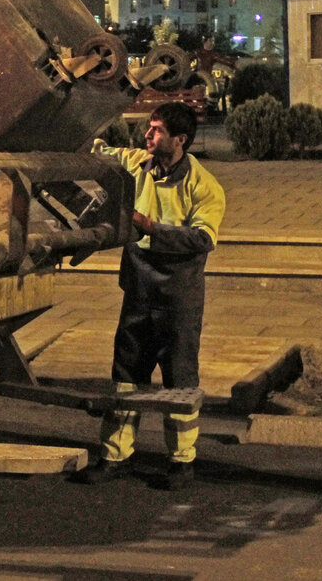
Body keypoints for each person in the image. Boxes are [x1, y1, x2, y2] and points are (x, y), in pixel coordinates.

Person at [74, 101, 226, 489]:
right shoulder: (138, 163)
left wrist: (150, 227)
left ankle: (182, 462)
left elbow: (202, 238)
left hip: (178, 299)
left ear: (180, 140)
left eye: (156, 130)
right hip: (139, 292)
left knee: (180, 382)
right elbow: (100, 152)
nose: (148, 135)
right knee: (126, 379)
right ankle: (115, 457)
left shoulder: (204, 186)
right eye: (149, 128)